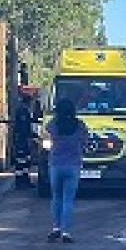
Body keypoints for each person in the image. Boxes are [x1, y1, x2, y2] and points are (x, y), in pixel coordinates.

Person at [44, 97, 86, 242]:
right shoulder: (80, 126)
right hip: (73, 165)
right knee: (68, 200)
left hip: (56, 165)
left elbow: (46, 131)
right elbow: (85, 141)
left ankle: (56, 228)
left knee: (56, 197)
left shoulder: (54, 125)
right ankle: (66, 232)